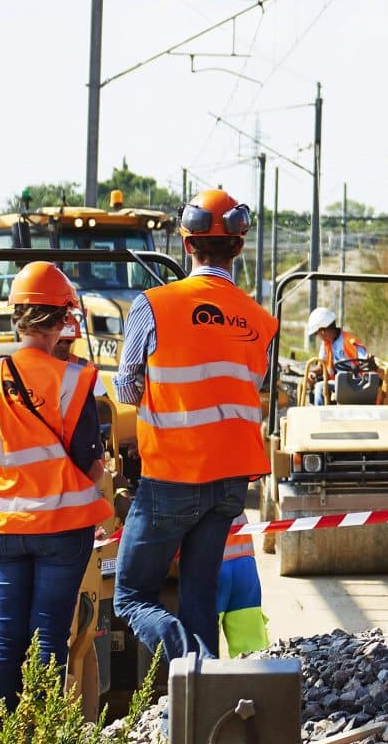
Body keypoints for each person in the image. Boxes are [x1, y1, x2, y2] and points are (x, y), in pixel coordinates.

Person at [114, 189, 275, 673]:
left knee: (132, 596)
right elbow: (249, 386)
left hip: (173, 475)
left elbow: (127, 387)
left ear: (188, 245)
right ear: (238, 247)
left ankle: (198, 667)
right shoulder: (261, 321)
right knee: (199, 593)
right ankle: (204, 699)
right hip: (230, 482)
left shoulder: (154, 305)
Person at [0, 260, 113, 710]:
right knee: (48, 635)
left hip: (3, 527)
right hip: (60, 529)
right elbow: (91, 467)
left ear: (16, 315)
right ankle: (40, 735)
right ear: (62, 318)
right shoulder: (74, 380)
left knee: (4, 635)